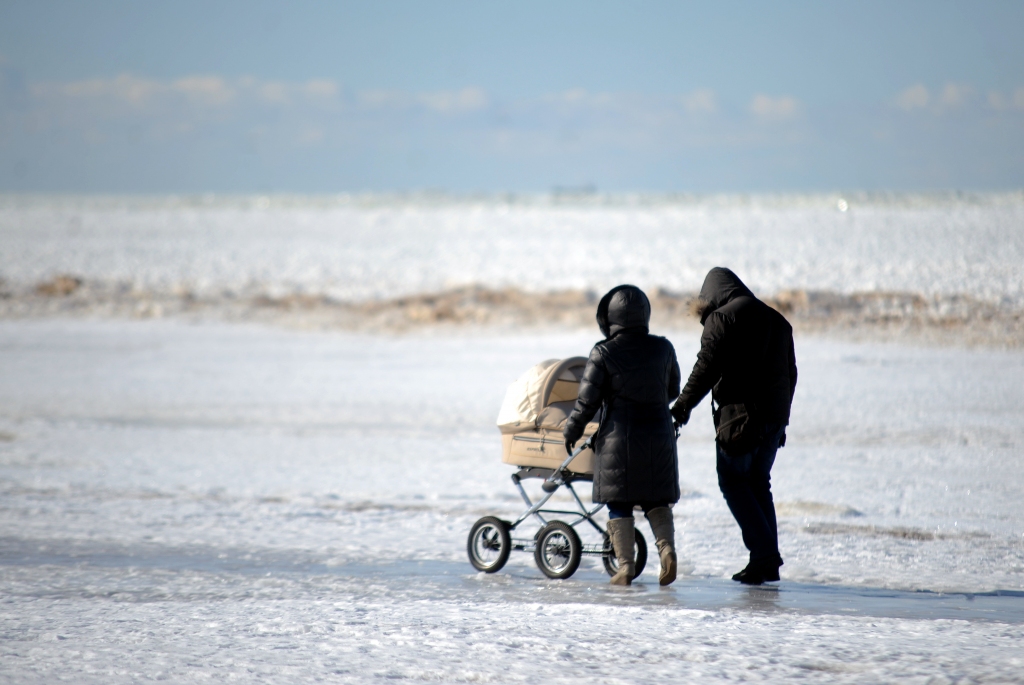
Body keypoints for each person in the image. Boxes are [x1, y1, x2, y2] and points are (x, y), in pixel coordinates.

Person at [671, 267, 797, 585]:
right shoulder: (779, 321)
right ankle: (766, 562)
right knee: (758, 483)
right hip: (774, 419)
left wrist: (682, 405)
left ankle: (765, 556)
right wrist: (781, 421)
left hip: (741, 417)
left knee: (734, 482)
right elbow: (790, 375)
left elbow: (707, 367)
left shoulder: (723, 318)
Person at [563, 285, 682, 586]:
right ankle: (667, 550)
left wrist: (572, 429)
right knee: (656, 500)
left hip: (618, 441)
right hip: (659, 437)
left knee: (619, 502)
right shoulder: (664, 348)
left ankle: (625, 567)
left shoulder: (603, 352)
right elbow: (672, 391)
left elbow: (587, 402)